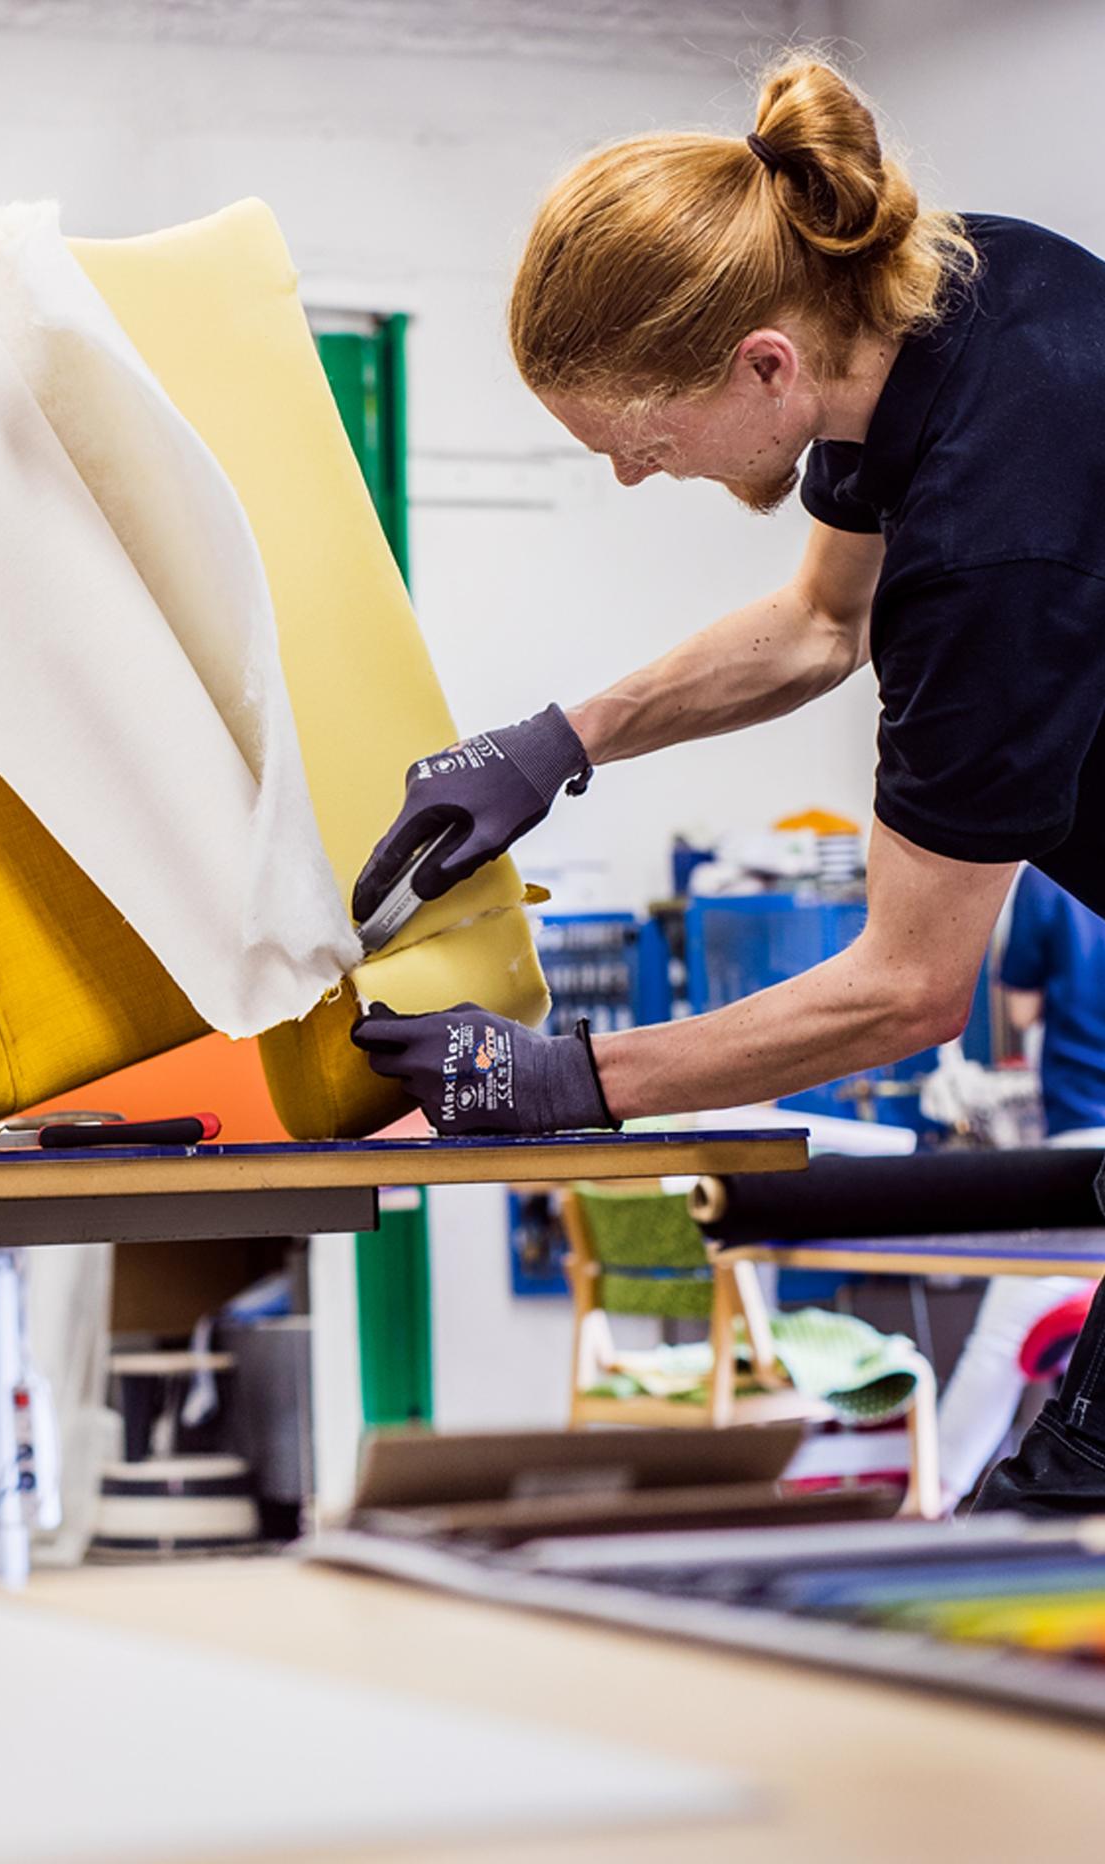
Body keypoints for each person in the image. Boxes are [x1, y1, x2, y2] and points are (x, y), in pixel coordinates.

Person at [347, 57, 1105, 1514]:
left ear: (762, 365)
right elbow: (821, 624)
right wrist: (556, 742)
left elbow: (905, 989)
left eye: (643, 442)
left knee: (1059, 1523)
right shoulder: (941, 298)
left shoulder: (989, 548)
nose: (638, 479)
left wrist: (571, 1080)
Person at [936, 867, 1105, 1508]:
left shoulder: (1053, 872)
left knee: (1000, 1339)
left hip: (1082, 1130)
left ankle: (934, 1501)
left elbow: (1021, 1007)